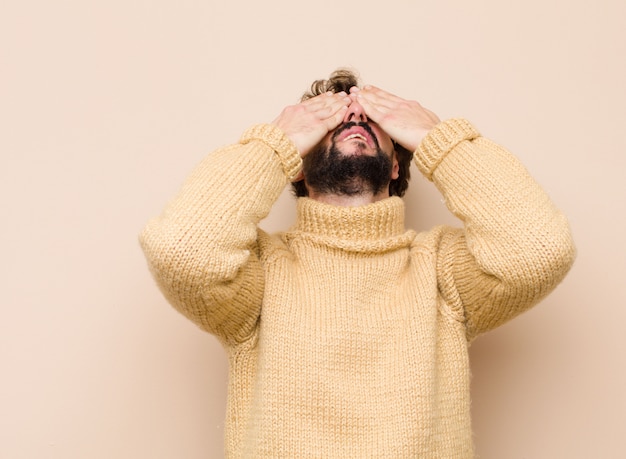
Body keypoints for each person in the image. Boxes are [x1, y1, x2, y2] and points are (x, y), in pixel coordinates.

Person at [140, 69, 575, 458]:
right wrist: (274, 144)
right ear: (297, 165)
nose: (354, 121)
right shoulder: (259, 274)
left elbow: (539, 250)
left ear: (394, 169)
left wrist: (438, 140)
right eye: (331, 121)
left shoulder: (442, 271)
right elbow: (181, 249)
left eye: (371, 121)